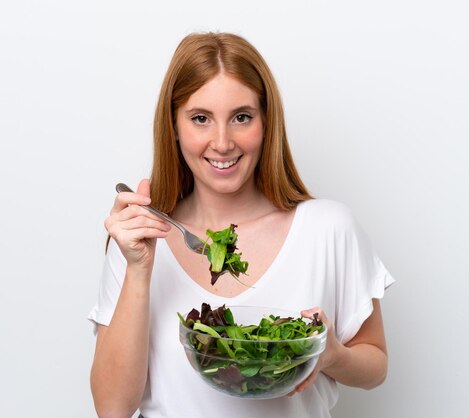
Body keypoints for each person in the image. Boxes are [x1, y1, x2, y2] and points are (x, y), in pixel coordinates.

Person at [88, 32, 395, 418]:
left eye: (241, 118)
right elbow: (112, 408)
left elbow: (375, 368)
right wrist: (137, 269)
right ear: (174, 126)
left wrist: (330, 353)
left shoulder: (328, 229)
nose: (222, 142)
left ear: (266, 123)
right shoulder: (141, 239)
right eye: (200, 119)